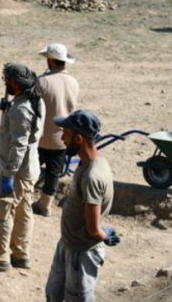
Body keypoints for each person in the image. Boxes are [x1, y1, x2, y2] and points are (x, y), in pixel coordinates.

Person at [45, 110, 119, 302]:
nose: (61, 138)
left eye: (65, 133)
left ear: (78, 138)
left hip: (81, 253)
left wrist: (104, 236)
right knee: (53, 294)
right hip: (67, 244)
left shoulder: (92, 176)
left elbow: (93, 229)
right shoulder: (87, 164)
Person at [0, 62, 45, 272]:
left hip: (16, 171)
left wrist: (8, 174)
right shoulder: (33, 101)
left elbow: (19, 144)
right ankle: (20, 254)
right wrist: (8, 109)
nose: (4, 83)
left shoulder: (21, 109)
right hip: (29, 169)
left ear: (15, 82)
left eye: (6, 79)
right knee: (24, 211)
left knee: (2, 211)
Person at [34, 42, 80, 217]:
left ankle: (20, 200)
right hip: (62, 138)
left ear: (51, 60)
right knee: (54, 173)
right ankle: (45, 205)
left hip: (40, 137)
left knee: (31, 170)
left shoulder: (42, 81)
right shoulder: (73, 82)